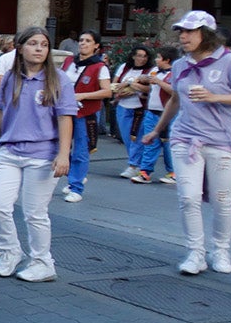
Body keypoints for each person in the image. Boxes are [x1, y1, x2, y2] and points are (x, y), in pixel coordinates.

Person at [141, 11, 231, 276]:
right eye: (181, 31)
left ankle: (221, 249)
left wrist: (214, 97)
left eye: (189, 31)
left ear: (206, 34)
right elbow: (175, 99)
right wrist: (158, 130)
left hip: (222, 141)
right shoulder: (181, 65)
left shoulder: (230, 62)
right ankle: (195, 253)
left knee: (221, 199)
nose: (183, 36)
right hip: (185, 138)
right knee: (188, 198)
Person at [0, 26, 75, 283]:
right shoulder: (10, 78)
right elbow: (1, 112)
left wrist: (63, 155)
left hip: (42, 154)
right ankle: (10, 251)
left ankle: (43, 263)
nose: (39, 48)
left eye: (43, 44)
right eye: (33, 43)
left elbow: (65, 118)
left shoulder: (59, 79)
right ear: (20, 47)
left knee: (35, 213)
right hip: (9, 151)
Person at [62, 29, 112, 203]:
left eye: (88, 41)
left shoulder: (100, 67)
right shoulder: (69, 61)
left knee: (81, 150)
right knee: (60, 146)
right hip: (65, 111)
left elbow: (107, 92)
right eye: (81, 40)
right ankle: (75, 174)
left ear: (96, 46)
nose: (83, 43)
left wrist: (83, 96)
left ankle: (76, 186)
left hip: (86, 112)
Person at [132, 46, 177, 184]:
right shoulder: (155, 70)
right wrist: (143, 78)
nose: (156, 60)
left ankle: (174, 172)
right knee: (149, 142)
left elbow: (174, 91)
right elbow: (146, 81)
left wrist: (159, 81)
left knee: (169, 143)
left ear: (167, 60)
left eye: (158, 57)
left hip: (168, 113)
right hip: (151, 111)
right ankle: (145, 172)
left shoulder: (175, 73)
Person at [113, 45, 152, 179]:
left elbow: (150, 88)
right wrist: (120, 92)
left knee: (137, 137)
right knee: (126, 137)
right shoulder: (124, 67)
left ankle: (133, 165)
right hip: (123, 106)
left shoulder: (150, 71)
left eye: (145, 56)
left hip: (139, 108)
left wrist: (130, 85)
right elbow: (115, 84)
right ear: (133, 56)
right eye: (139, 55)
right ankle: (136, 162)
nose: (142, 59)